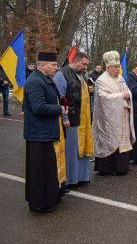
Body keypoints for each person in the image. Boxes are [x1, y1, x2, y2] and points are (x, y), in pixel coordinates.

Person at [24, 52, 68, 213]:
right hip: (38, 133)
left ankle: (49, 198)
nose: (56, 68)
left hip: (47, 131)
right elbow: (39, 107)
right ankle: (38, 203)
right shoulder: (35, 82)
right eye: (54, 65)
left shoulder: (45, 78)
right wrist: (60, 109)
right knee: (39, 171)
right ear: (41, 65)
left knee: (48, 169)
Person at [53, 51, 93, 189]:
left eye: (87, 65)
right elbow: (59, 98)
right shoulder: (62, 74)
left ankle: (81, 177)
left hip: (83, 120)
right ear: (75, 61)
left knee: (80, 150)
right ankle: (69, 180)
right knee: (70, 152)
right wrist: (64, 118)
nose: (86, 67)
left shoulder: (81, 76)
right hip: (70, 121)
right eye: (84, 64)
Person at [92, 51, 135, 176]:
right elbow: (103, 98)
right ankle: (107, 167)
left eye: (119, 67)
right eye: (116, 67)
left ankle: (121, 166)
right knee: (110, 140)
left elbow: (128, 92)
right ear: (108, 68)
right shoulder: (101, 80)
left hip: (122, 115)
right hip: (108, 119)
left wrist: (127, 96)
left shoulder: (120, 78)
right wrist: (122, 96)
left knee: (123, 141)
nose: (118, 69)